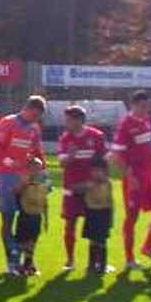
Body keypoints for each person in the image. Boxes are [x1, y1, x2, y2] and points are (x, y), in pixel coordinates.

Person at [0, 95, 47, 276]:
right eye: (35, 116)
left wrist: (41, 174)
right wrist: (12, 164)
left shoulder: (34, 129)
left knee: (29, 221)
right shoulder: (7, 123)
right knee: (7, 221)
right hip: (8, 178)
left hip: (28, 182)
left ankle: (27, 262)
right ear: (29, 109)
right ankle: (11, 262)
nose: (35, 120)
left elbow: (38, 153)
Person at [111, 90, 151, 270]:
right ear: (132, 105)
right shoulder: (125, 125)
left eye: (148, 106)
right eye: (142, 106)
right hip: (134, 177)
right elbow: (117, 155)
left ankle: (147, 247)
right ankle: (130, 259)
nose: (146, 109)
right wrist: (130, 177)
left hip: (150, 175)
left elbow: (148, 147)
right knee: (132, 217)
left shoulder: (146, 121)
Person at [56, 105, 107, 271]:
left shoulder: (96, 136)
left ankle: (96, 262)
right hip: (71, 189)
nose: (66, 123)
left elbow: (103, 164)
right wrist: (71, 155)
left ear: (78, 120)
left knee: (96, 225)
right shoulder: (65, 138)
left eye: (69, 120)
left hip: (92, 191)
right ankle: (70, 261)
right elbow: (62, 163)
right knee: (70, 224)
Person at [74, 159, 115, 275]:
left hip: (104, 215)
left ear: (105, 172)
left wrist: (111, 218)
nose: (97, 173)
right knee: (93, 240)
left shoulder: (108, 184)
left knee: (102, 240)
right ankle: (91, 265)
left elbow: (110, 201)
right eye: (94, 171)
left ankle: (102, 265)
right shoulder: (88, 185)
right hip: (92, 215)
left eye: (100, 171)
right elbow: (75, 190)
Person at [14, 157, 50, 276]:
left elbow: (45, 201)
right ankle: (19, 264)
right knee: (22, 241)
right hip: (25, 215)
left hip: (36, 216)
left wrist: (46, 219)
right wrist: (25, 183)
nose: (36, 171)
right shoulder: (24, 180)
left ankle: (28, 263)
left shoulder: (43, 184)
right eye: (34, 168)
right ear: (28, 169)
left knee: (32, 240)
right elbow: (16, 191)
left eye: (38, 168)